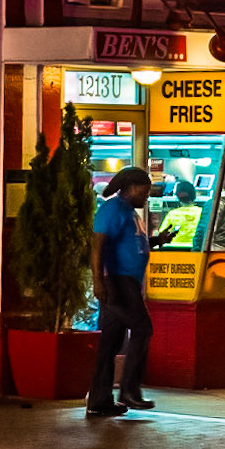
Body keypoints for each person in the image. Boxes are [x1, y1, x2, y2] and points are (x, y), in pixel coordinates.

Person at [88, 166, 154, 417]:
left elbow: (130, 242)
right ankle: (129, 390)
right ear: (131, 188)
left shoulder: (127, 211)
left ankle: (99, 399)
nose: (146, 197)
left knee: (110, 342)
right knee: (142, 328)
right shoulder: (112, 209)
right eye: (144, 192)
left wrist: (157, 241)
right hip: (118, 282)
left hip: (126, 281)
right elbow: (98, 246)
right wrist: (99, 282)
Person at [152, 179, 202, 248]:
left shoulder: (172, 214)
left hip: (175, 249)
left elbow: (163, 233)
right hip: (196, 249)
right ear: (193, 195)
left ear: (178, 197)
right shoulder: (202, 212)